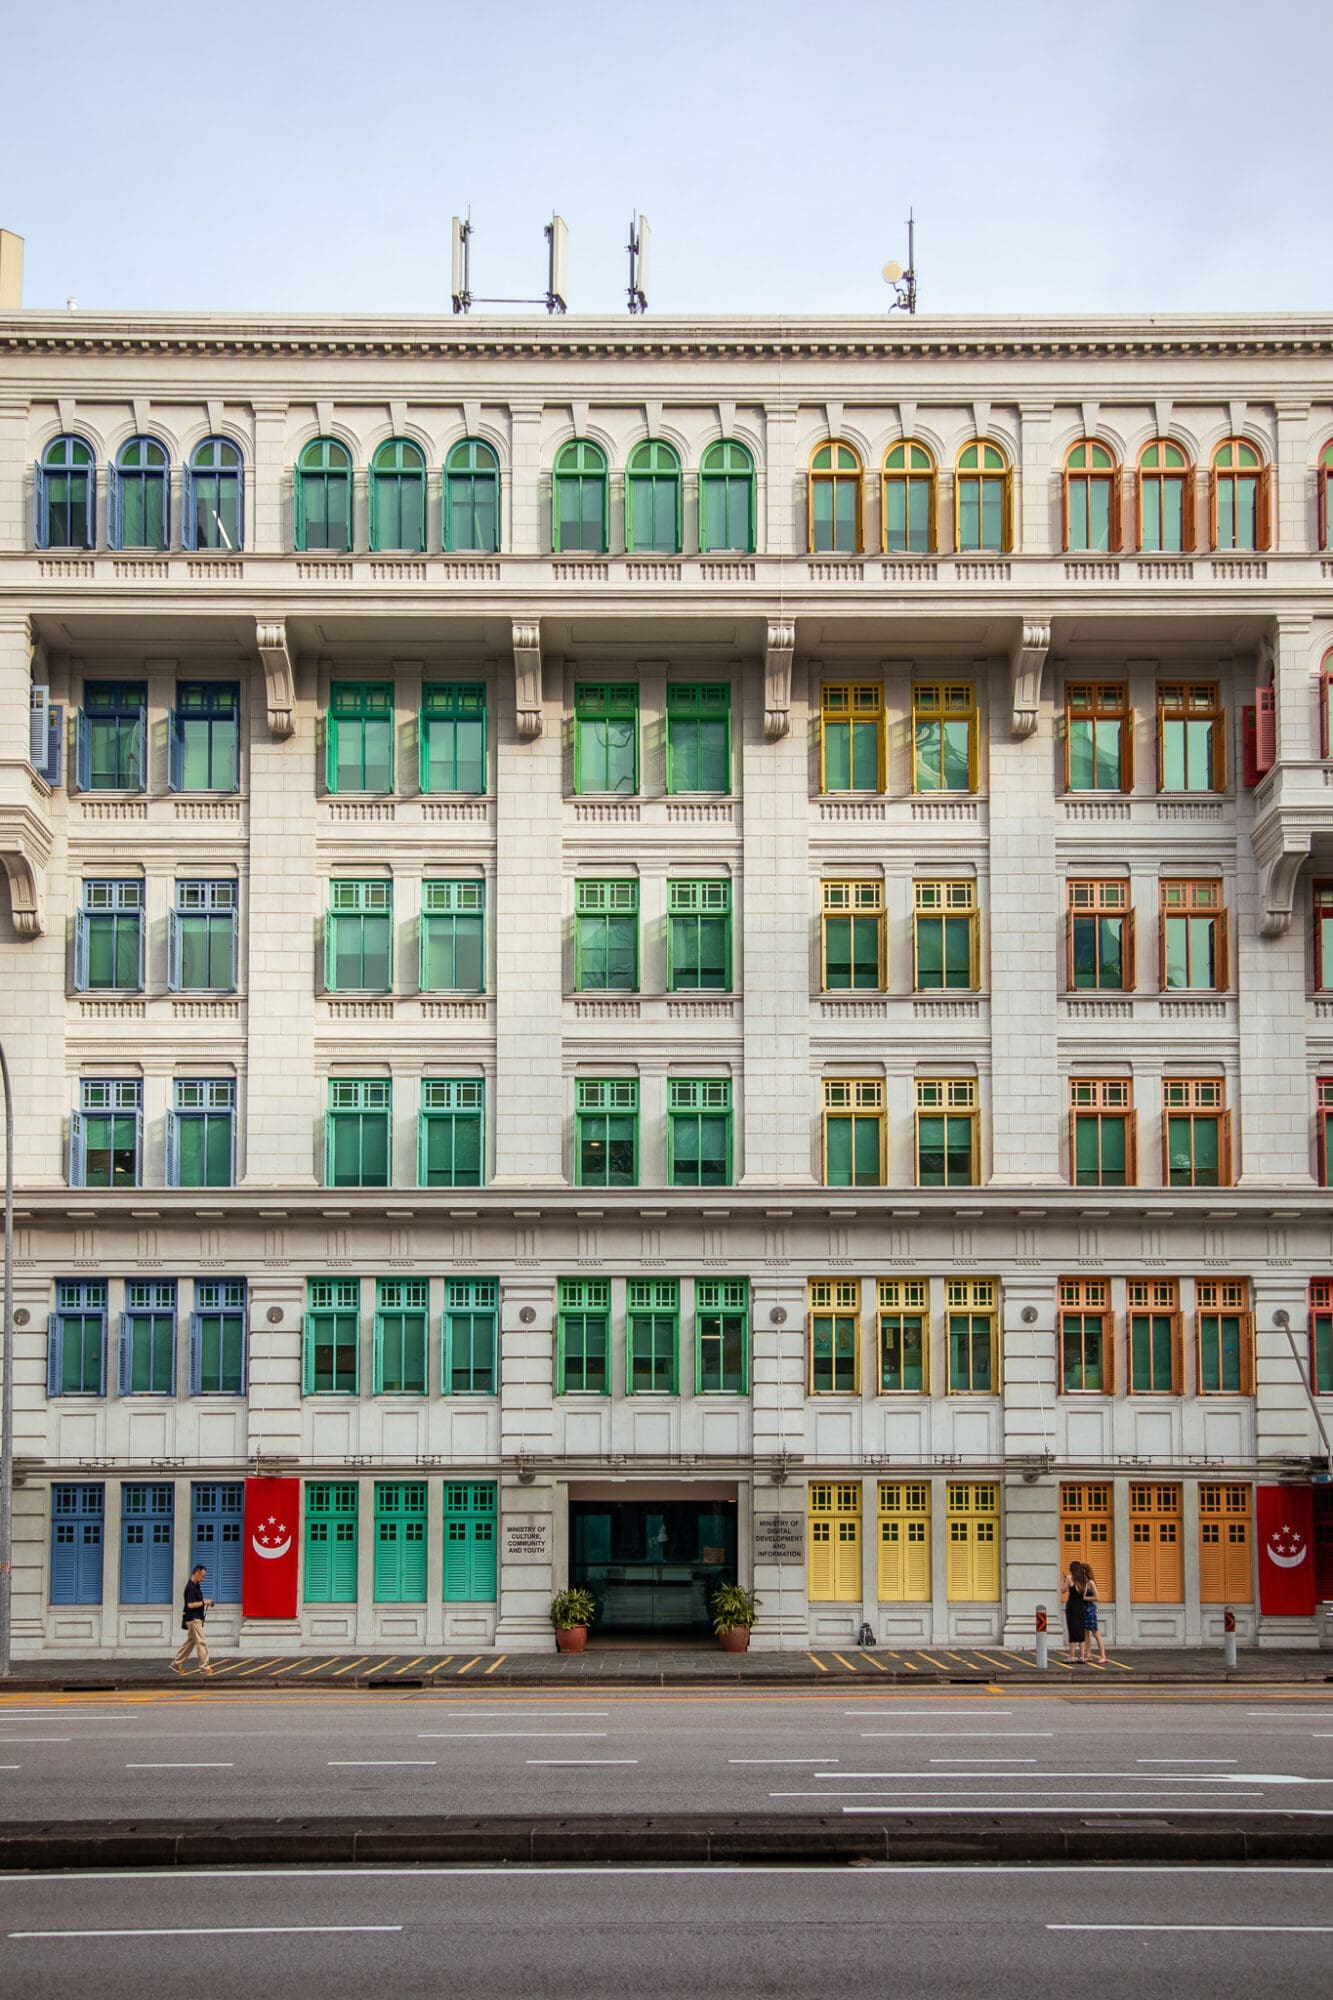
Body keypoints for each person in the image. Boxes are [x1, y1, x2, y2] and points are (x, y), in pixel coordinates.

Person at [172, 1564, 214, 1676]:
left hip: (196, 1617)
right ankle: (204, 1667)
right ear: (196, 1573)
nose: (203, 1578)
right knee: (201, 1641)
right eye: (202, 1576)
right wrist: (204, 1602)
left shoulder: (196, 1585)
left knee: (190, 1642)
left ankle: (176, 1663)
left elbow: (197, 1601)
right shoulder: (190, 1587)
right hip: (193, 1618)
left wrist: (205, 1601)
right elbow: (190, 1605)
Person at [1061, 1558, 1088, 1664]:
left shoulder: (1069, 1578)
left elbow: (1063, 1590)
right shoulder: (1084, 1580)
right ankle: (1082, 1656)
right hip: (1081, 1607)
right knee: (1081, 1631)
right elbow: (1084, 1594)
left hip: (1072, 1607)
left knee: (1072, 1631)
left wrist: (1063, 1580)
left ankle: (1072, 1656)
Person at [1082, 1562, 1108, 1664]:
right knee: (1086, 1633)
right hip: (1084, 1609)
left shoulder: (1091, 1583)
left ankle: (1103, 1656)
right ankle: (1088, 1655)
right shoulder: (1084, 1583)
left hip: (1090, 1610)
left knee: (1095, 1633)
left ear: (1085, 1571)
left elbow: (1097, 1597)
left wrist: (1084, 1598)